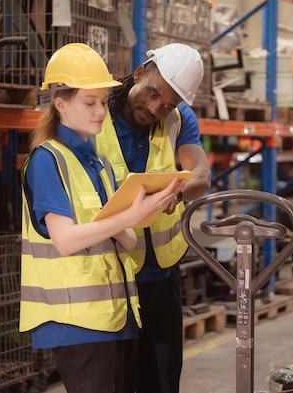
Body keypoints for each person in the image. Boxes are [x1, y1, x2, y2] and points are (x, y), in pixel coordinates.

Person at [19, 43, 185, 393]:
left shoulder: (100, 163)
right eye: (89, 103)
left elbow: (126, 239)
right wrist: (131, 217)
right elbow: (64, 240)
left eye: (102, 101)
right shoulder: (48, 161)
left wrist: (138, 216)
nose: (100, 111)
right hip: (77, 322)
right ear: (61, 104)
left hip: (117, 315)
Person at [96, 43, 211, 393]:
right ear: (141, 73)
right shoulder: (95, 113)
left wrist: (177, 191)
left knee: (160, 380)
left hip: (159, 274)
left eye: (168, 104)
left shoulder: (177, 119)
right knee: (113, 380)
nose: (156, 108)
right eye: (153, 94)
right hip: (109, 275)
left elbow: (202, 176)